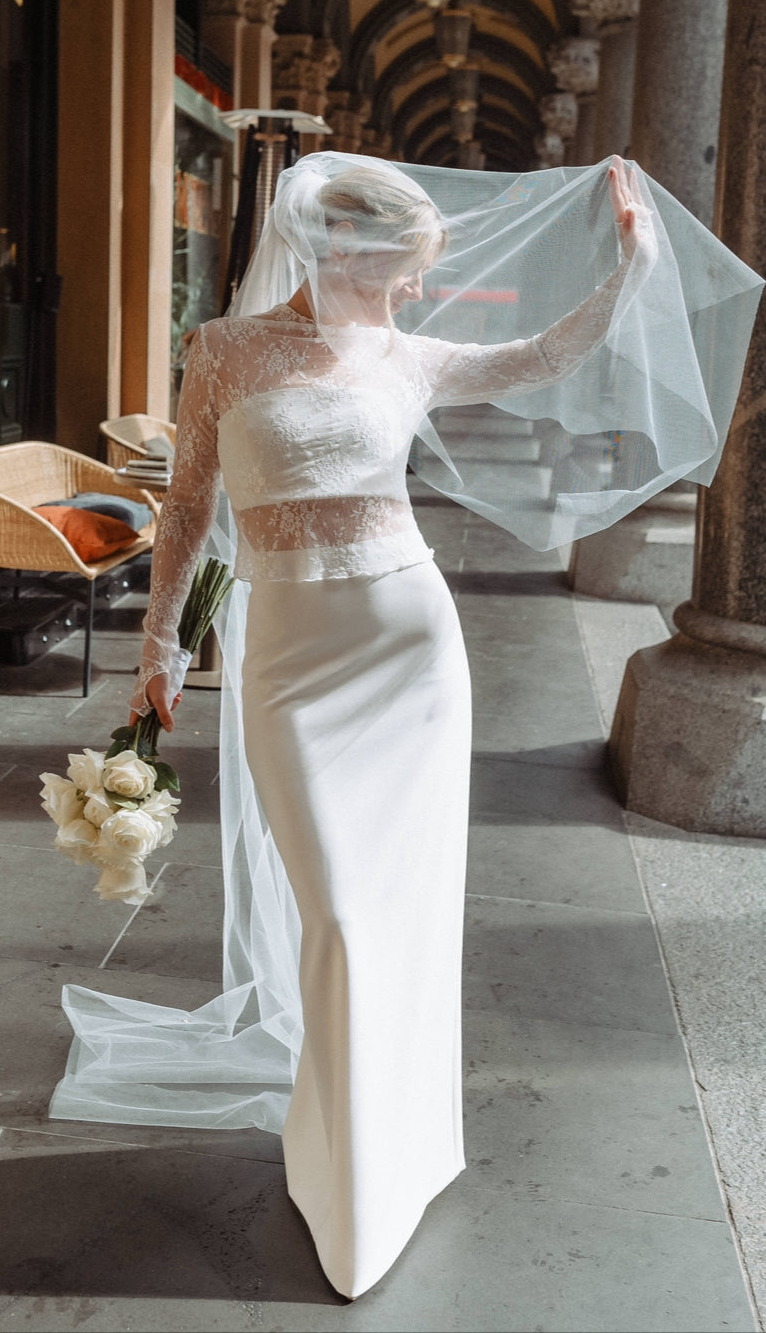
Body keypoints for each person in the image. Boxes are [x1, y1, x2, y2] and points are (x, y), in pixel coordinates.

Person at [123, 157, 655, 1297]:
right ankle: (341, 1164)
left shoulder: (410, 359)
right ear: (345, 249)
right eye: (404, 269)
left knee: (398, 913)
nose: (416, 293)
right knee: (341, 916)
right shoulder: (225, 348)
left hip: (410, 648)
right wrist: (161, 643)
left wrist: (632, 265)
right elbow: (188, 504)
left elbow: (546, 356)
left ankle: (386, 1165)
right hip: (287, 663)